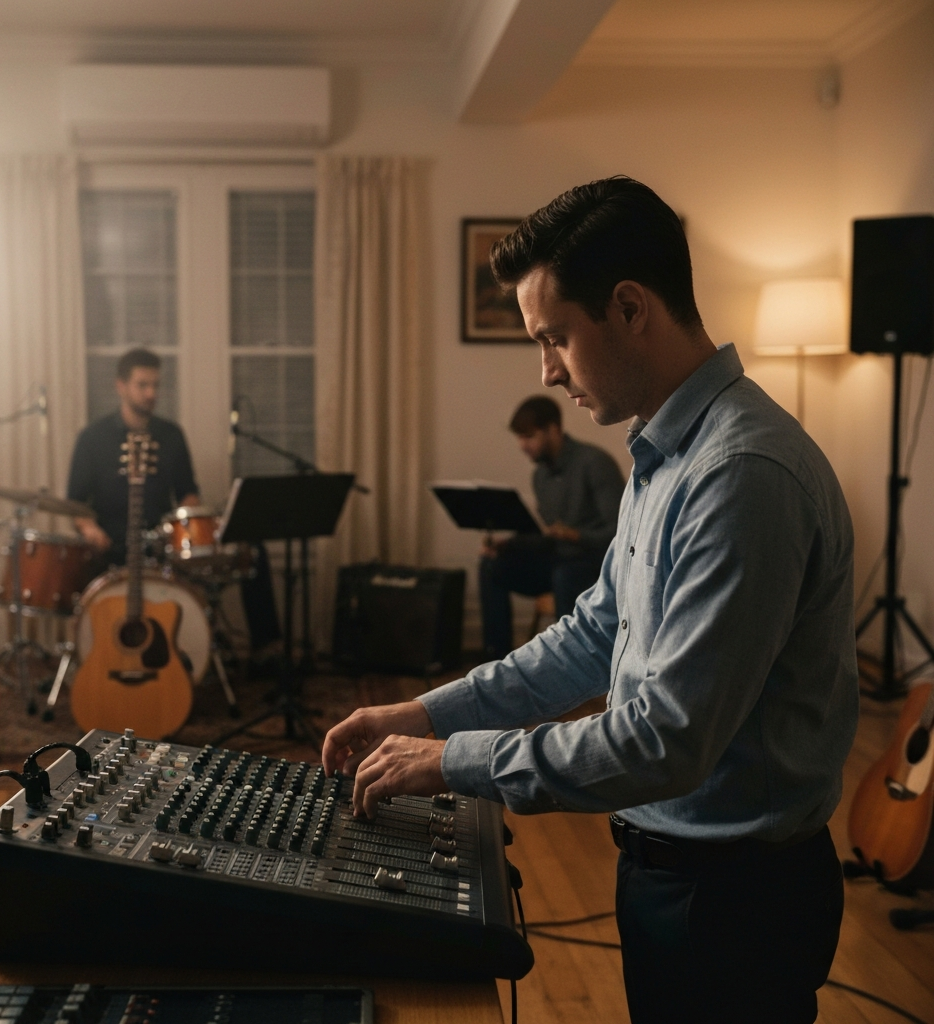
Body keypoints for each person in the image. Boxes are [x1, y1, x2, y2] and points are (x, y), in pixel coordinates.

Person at [322, 177, 858, 1023]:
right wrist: (425, 715)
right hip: (678, 873)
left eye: (556, 338)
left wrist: (455, 762)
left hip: (734, 900)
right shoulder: (665, 455)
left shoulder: (740, 476)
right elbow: (588, 637)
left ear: (631, 308)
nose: (546, 371)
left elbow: (664, 742)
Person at [67, 347, 281, 654]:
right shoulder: (92, 438)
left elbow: (187, 492)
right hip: (111, 545)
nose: (151, 393)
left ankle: (266, 651)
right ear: (121, 386)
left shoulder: (171, 434)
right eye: (143, 385)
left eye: (156, 385)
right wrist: (90, 531)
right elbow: (75, 503)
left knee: (253, 549)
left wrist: (193, 526)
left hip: (162, 541)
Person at [480, 395, 623, 658]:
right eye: (519, 438)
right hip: (560, 561)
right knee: (492, 565)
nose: (522, 445)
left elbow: (621, 532)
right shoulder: (540, 475)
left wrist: (575, 535)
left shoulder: (594, 462)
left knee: (565, 574)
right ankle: (495, 657)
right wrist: (508, 544)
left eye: (529, 436)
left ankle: (569, 661)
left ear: (553, 429)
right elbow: (548, 539)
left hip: (595, 564)